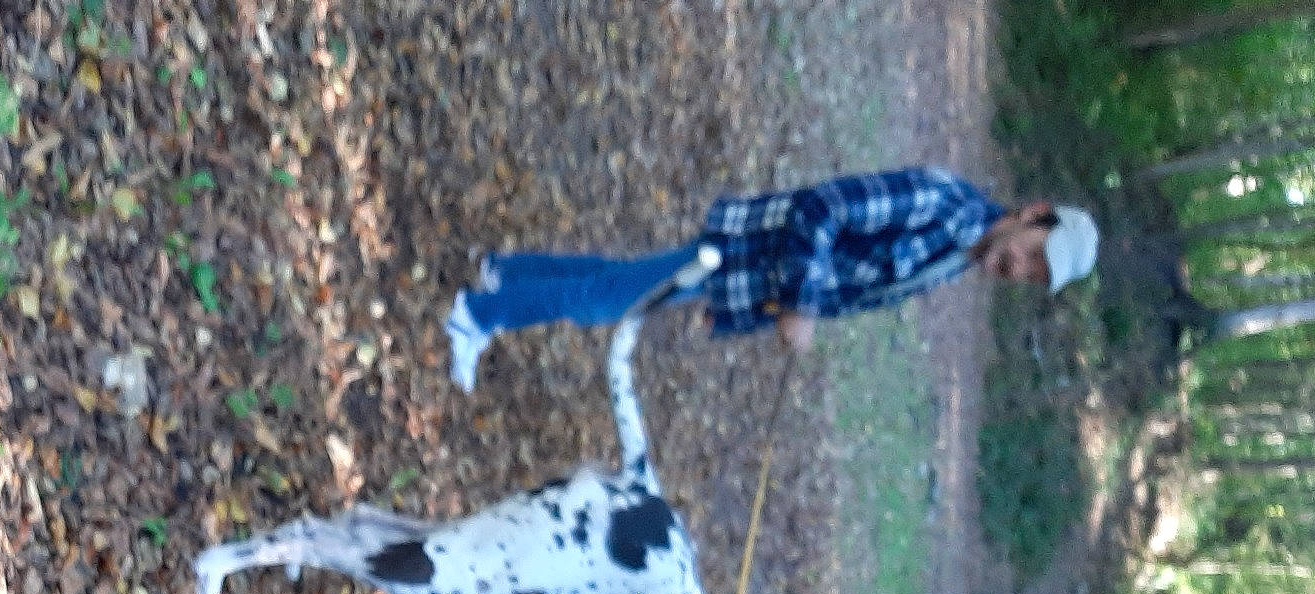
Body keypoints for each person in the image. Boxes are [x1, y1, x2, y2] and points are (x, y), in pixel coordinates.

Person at [443, 166, 1099, 391]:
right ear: (1033, 214)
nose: (1019, 271)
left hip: (747, 281)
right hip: (743, 249)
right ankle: (476, 314)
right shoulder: (939, 202)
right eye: (1033, 254)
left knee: (617, 281)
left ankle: (504, 275)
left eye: (1034, 277)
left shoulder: (958, 257)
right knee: (611, 302)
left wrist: (745, 314)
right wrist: (798, 306)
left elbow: (847, 288)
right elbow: (822, 208)